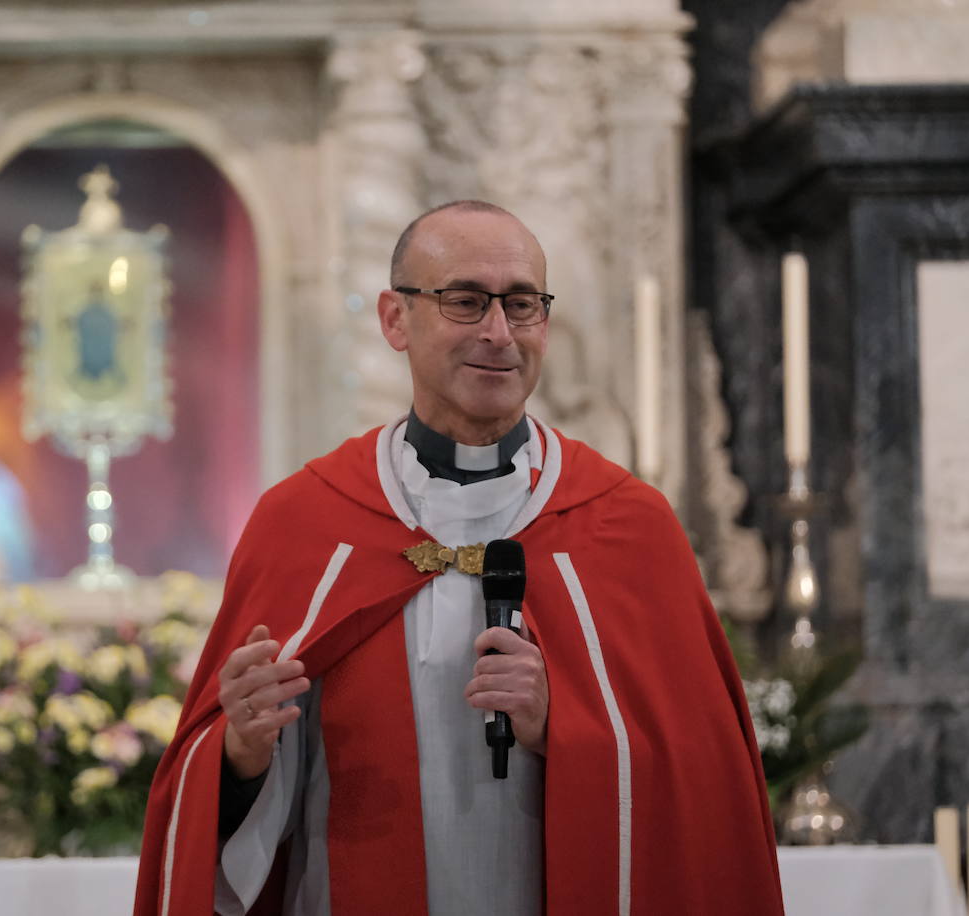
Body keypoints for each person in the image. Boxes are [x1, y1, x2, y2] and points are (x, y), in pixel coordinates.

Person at [135, 201, 784, 916]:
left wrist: (563, 726)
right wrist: (243, 756)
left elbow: (702, 789)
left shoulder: (627, 525)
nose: (499, 333)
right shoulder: (304, 521)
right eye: (466, 301)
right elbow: (211, 806)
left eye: (522, 304)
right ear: (395, 319)